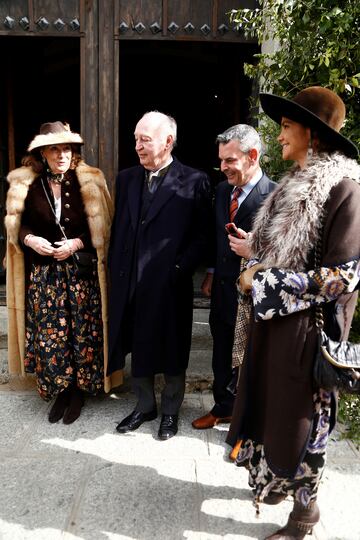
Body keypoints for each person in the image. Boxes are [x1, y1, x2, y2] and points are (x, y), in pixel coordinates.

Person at [227, 87, 360, 539]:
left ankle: (305, 516)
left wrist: (266, 282)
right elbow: (280, 254)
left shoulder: (344, 189)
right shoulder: (289, 185)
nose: (278, 135)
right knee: (273, 416)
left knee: (306, 424)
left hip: (308, 336)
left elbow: (345, 275)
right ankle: (276, 488)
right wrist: (255, 260)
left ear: (313, 134)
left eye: (286, 127)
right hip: (274, 329)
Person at [5, 121, 122, 424]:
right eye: (54, 149)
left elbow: (104, 228)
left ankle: (79, 393)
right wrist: (30, 239)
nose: (62, 155)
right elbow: (16, 225)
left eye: (66, 148)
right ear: (43, 153)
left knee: (81, 333)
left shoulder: (89, 182)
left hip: (80, 275)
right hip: (45, 277)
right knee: (51, 337)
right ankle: (62, 390)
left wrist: (76, 243)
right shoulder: (27, 185)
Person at [108, 111, 211, 440]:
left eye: (145, 139)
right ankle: (144, 406)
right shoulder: (126, 179)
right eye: (136, 139)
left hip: (170, 284)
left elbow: (203, 235)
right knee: (138, 346)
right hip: (131, 282)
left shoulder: (195, 180)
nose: (137, 146)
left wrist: (179, 269)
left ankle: (170, 411)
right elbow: (119, 229)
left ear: (168, 142)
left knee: (172, 348)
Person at [192, 125, 276, 431]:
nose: (223, 167)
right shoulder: (223, 191)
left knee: (251, 360)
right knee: (221, 353)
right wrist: (212, 273)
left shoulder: (277, 196)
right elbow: (218, 238)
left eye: (230, 160)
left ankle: (248, 424)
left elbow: (292, 254)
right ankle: (222, 408)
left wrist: (255, 248)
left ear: (252, 156)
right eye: (221, 161)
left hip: (254, 297)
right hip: (222, 291)